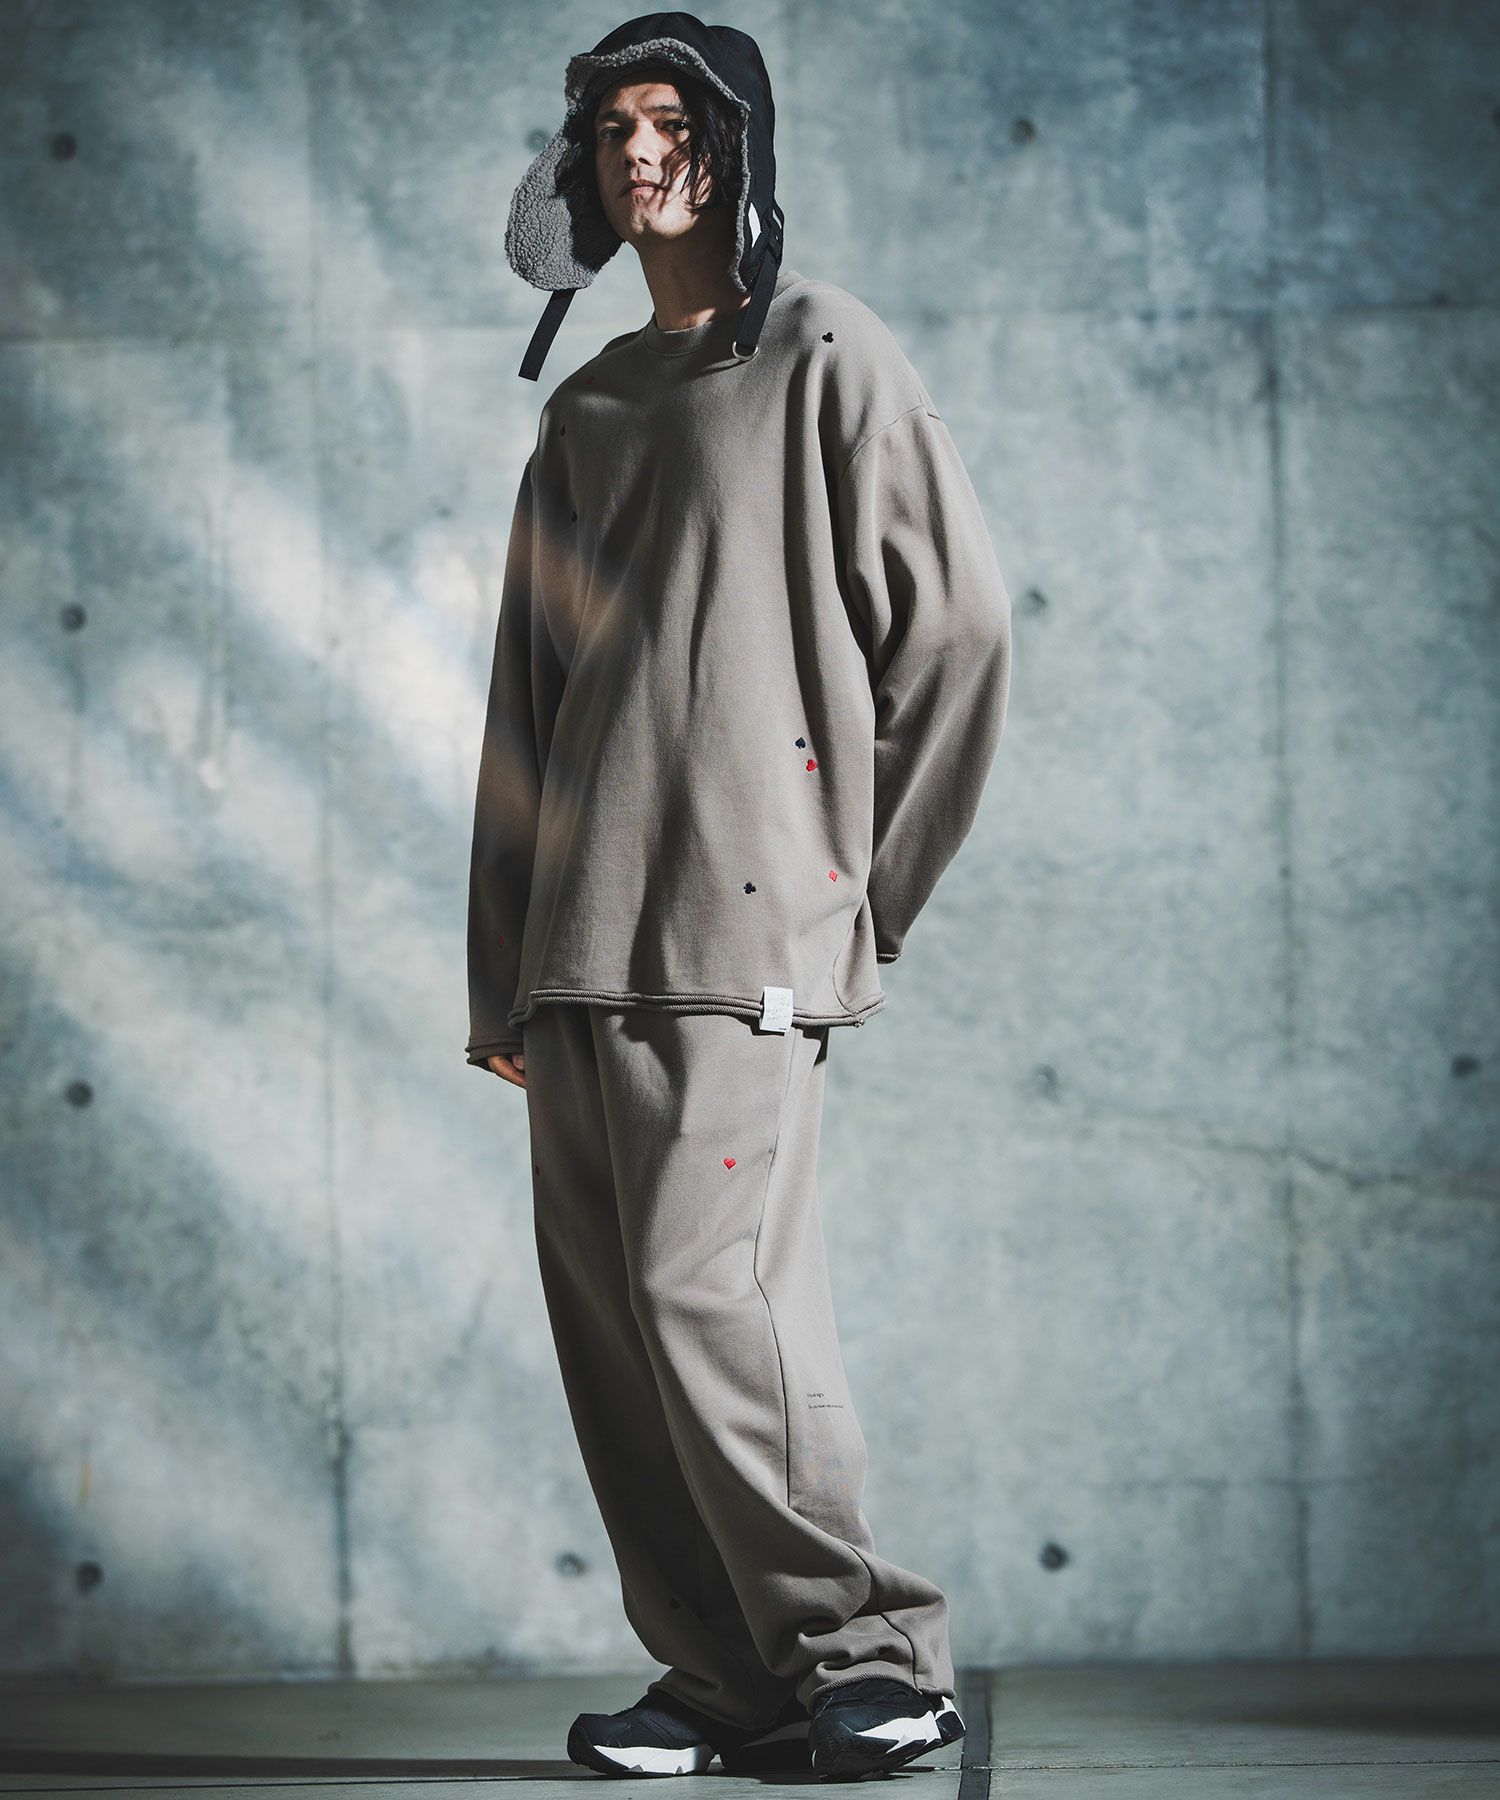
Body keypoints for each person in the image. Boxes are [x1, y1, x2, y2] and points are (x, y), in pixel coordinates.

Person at [465, 11, 1011, 1782]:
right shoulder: (588, 411)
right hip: (576, 953)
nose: (641, 152)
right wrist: (501, 976)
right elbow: (530, 711)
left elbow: (959, 635)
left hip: (742, 937)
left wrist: (861, 899)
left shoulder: (826, 350)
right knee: (620, 1335)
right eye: (611, 128)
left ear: (736, 143)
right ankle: (725, 1683)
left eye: (674, 120)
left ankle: (872, 1656)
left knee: (717, 1306)